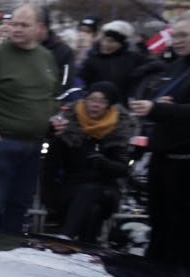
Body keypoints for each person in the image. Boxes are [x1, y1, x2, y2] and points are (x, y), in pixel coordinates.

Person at [0, 4, 60, 233]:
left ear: (40, 28)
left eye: (24, 25)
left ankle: (12, 258)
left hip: (33, 145)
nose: (16, 29)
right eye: (14, 24)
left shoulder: (46, 58)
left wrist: (51, 114)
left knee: (19, 206)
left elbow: (52, 93)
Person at [129, 14, 190, 268]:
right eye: (174, 35)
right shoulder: (176, 65)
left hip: (185, 162)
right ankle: (153, 271)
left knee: (182, 228)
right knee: (159, 222)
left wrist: (159, 109)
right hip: (162, 155)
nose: (175, 41)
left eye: (183, 35)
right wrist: (158, 104)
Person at [47, 82, 134, 242]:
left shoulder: (118, 129)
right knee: (92, 209)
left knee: (91, 192)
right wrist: (50, 198)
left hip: (105, 189)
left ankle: (65, 238)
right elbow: (50, 166)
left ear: (109, 106)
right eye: (92, 99)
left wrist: (104, 163)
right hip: (71, 186)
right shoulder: (68, 125)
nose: (95, 105)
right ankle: (86, 249)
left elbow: (123, 169)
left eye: (102, 101)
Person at [79, 21, 145, 98]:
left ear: (120, 43)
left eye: (111, 41)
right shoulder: (92, 59)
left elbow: (154, 67)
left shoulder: (133, 58)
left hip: (122, 105)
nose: (105, 44)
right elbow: (82, 81)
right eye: (103, 40)